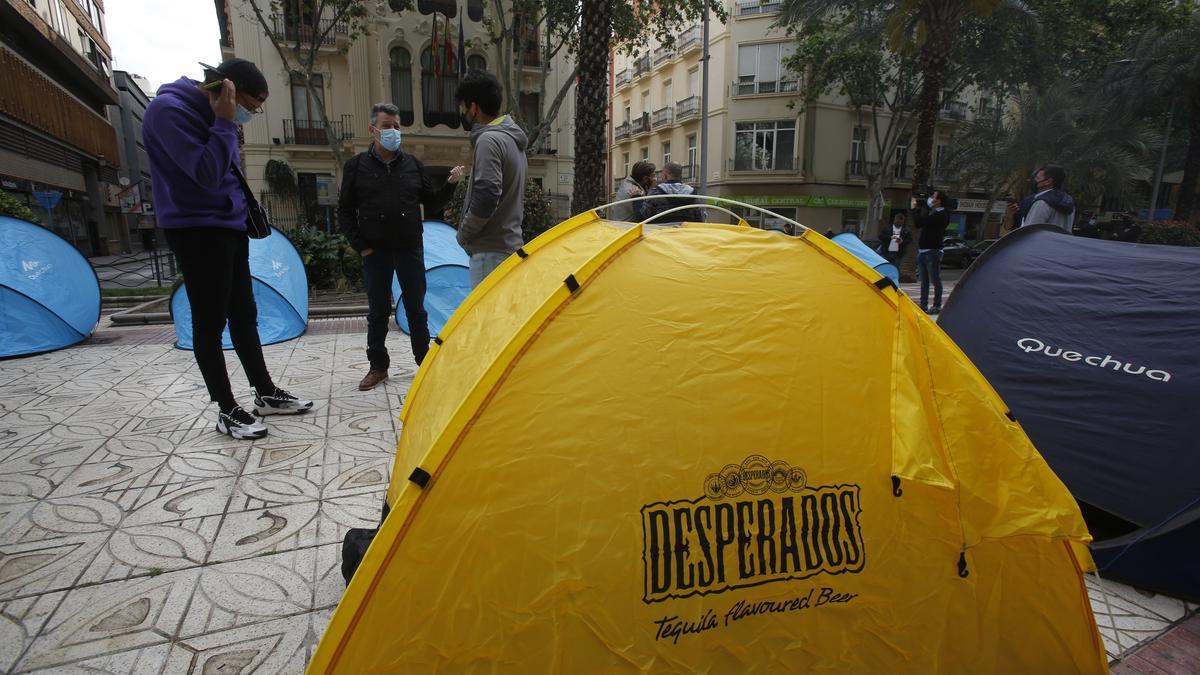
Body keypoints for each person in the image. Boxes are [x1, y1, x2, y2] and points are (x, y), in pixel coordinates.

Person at [143, 59, 312, 440]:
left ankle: (265, 393)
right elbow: (205, 173)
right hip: (196, 230)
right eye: (253, 105)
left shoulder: (215, 115)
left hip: (228, 228)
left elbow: (226, 174)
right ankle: (226, 409)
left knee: (244, 314)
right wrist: (223, 122)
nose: (254, 113)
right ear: (229, 90)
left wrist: (224, 124)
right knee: (209, 322)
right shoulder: (168, 111)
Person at [338, 103, 464, 390]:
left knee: (416, 308)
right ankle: (378, 367)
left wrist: (450, 185)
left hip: (409, 248)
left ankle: (424, 362)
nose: (393, 131)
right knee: (378, 311)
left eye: (396, 126)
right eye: (386, 126)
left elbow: (431, 203)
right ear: (373, 130)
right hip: (375, 251)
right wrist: (360, 245)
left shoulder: (412, 165)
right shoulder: (356, 166)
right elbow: (344, 211)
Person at [454, 70, 528, 287]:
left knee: (486, 321)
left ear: (474, 107)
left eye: (464, 108)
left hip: (490, 253)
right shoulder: (513, 142)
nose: (464, 115)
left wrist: (463, 234)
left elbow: (486, 197)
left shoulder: (489, 140)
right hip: (508, 249)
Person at [910, 190, 951, 315]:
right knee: (924, 280)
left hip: (933, 251)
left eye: (933, 197)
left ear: (939, 201)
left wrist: (914, 208)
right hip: (923, 250)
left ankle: (937, 305)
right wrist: (920, 209)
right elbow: (918, 223)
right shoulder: (933, 212)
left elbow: (921, 221)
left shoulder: (942, 214)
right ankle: (923, 304)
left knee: (935, 279)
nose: (931, 199)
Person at [1007, 165, 1075, 232]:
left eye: (1037, 178)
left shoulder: (1042, 202)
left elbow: (1029, 232)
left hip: (1041, 243)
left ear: (1048, 182)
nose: (1033, 180)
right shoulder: (1069, 201)